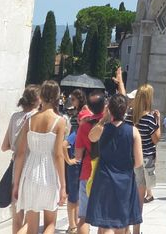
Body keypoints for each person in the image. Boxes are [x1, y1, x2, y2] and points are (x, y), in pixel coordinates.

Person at [13, 80, 67, 234]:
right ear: (57, 96)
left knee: (31, 226)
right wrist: (63, 186)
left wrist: (16, 183)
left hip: (30, 174)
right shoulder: (59, 121)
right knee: (50, 223)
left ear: (41, 96)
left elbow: (21, 153)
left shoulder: (30, 119)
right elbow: (58, 155)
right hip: (48, 174)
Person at [85, 93, 142, 232]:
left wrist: (103, 119)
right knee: (121, 224)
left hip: (104, 178)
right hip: (125, 180)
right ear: (126, 109)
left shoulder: (102, 129)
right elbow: (139, 162)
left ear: (109, 109)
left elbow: (91, 137)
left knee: (103, 224)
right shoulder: (133, 131)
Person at [1, 84, 40, 234]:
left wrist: (16, 145)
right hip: (31, 166)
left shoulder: (15, 117)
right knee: (32, 217)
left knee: (16, 215)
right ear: (37, 99)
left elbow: (5, 146)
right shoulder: (37, 117)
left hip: (14, 167)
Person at [74, 91, 105, 234]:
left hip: (87, 172)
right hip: (105, 173)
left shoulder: (84, 126)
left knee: (83, 218)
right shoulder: (108, 123)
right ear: (104, 105)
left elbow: (78, 155)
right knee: (103, 220)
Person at [132, 84, 160, 205]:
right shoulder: (149, 118)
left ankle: (145, 196)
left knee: (135, 181)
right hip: (147, 155)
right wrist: (158, 120)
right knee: (145, 182)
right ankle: (145, 198)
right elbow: (156, 139)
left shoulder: (129, 116)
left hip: (132, 155)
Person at [63, 125, 80, 234]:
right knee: (73, 198)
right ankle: (72, 225)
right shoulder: (76, 133)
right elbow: (64, 145)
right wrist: (69, 160)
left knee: (78, 197)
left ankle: (76, 224)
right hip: (74, 169)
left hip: (82, 168)